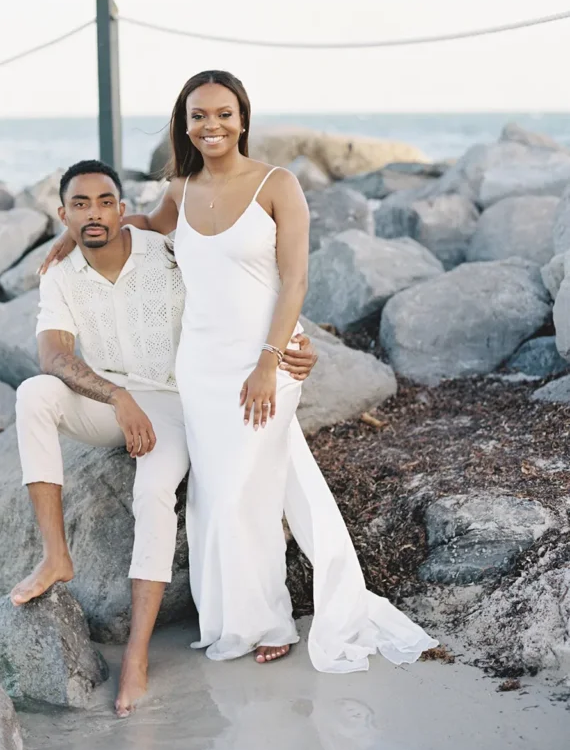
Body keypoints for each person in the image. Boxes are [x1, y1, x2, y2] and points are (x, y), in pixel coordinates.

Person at [44, 71, 436, 671]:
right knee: (217, 495)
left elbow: (296, 281)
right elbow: (142, 225)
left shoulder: (278, 185)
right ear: (186, 124)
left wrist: (271, 361)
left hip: (265, 358)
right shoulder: (181, 187)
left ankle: (267, 620)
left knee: (239, 494)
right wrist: (75, 236)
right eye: (198, 115)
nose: (212, 125)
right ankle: (228, 619)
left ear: (243, 119)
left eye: (223, 113)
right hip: (199, 363)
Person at [11, 159, 318, 717]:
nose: (94, 213)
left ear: (123, 208)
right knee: (34, 392)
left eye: (105, 201)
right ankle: (56, 556)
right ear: (62, 215)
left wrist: (293, 343)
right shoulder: (58, 273)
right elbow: (54, 355)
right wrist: (118, 399)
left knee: (153, 491)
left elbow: (246, 283)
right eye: (79, 205)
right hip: (110, 401)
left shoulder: (168, 251)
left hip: (175, 403)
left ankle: (136, 656)